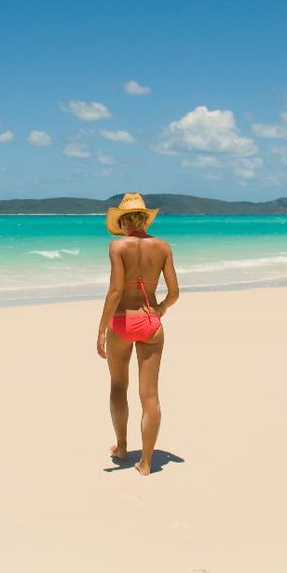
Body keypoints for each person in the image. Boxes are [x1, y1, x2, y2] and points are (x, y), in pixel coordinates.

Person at [96, 192, 180, 475]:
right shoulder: (163, 247)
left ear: (123, 221)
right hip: (150, 323)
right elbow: (174, 293)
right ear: (144, 219)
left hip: (122, 322)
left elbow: (116, 291)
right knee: (150, 395)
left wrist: (101, 329)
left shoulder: (118, 247)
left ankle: (122, 447)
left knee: (119, 386)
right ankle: (145, 462)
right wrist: (160, 309)